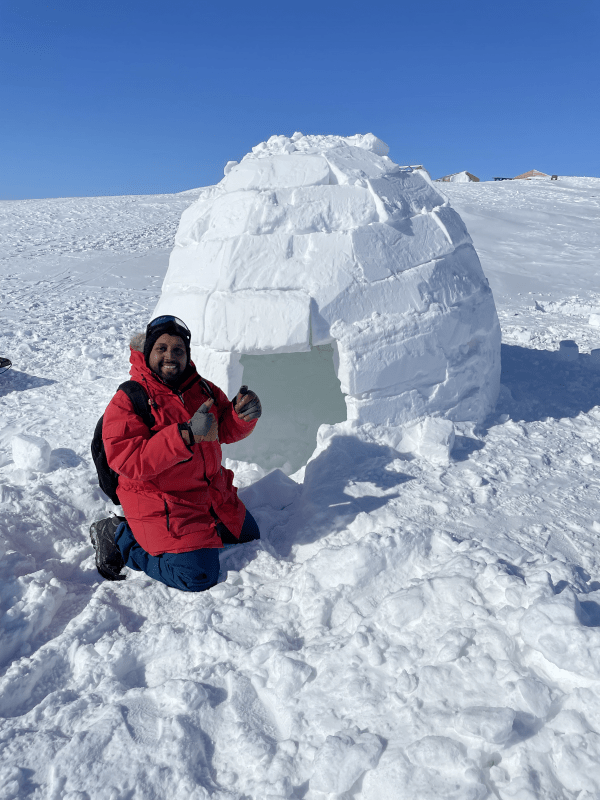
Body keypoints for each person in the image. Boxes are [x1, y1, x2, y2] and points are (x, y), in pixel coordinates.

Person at [90, 315, 262, 591]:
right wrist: (184, 435)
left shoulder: (200, 387)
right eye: (162, 348)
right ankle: (120, 535)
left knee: (248, 533)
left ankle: (202, 530)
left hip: (209, 493)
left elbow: (225, 430)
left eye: (178, 350)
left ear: (187, 354)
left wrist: (242, 416)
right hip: (163, 501)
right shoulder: (128, 399)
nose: (170, 356)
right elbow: (128, 462)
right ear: (148, 353)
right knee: (198, 576)